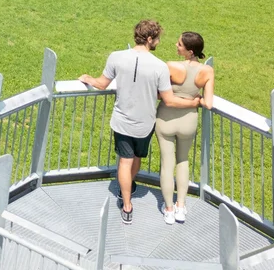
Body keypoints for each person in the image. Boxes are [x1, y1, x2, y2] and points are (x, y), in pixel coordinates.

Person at [79, 20, 202, 225]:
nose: (160, 42)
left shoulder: (116, 57)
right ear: (149, 39)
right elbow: (169, 99)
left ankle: (126, 206)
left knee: (124, 162)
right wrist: (194, 102)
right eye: (158, 38)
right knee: (135, 160)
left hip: (121, 121)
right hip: (145, 123)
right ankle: (128, 189)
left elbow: (101, 84)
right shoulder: (159, 66)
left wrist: (88, 78)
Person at [156, 31, 214, 225]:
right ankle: (181, 206)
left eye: (179, 44)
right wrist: (195, 100)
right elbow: (208, 103)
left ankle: (169, 208)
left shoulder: (170, 66)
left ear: (189, 51)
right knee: (183, 161)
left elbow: (158, 94)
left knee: (167, 163)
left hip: (165, 118)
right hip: (188, 121)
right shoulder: (207, 71)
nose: (175, 45)